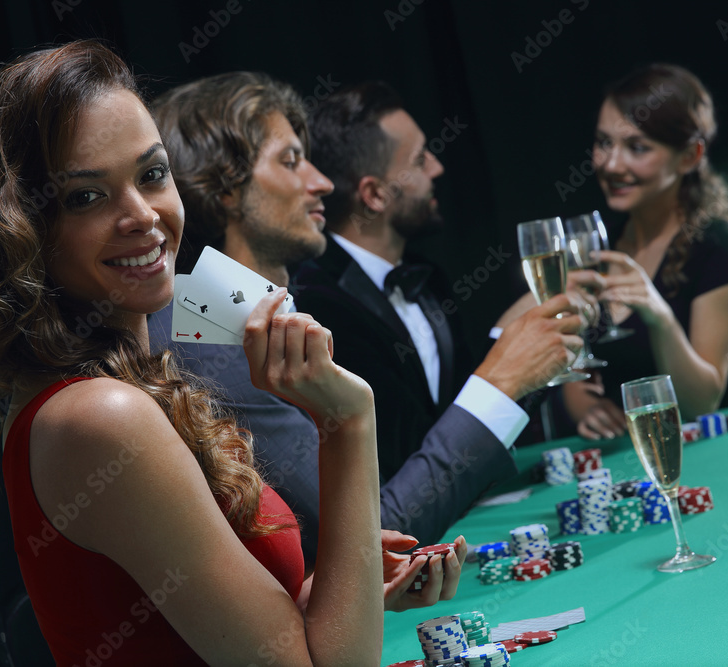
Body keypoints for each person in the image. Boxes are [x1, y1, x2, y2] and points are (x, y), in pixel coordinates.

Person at [0, 41, 450, 666]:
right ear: (21, 229)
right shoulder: (101, 418)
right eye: (85, 196)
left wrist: (339, 586)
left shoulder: (114, 391)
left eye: (151, 174)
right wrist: (348, 422)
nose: (142, 215)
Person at [148, 74, 577, 568]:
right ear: (225, 187)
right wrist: (500, 383)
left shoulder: (250, 312)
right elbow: (372, 538)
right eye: (290, 161)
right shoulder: (201, 337)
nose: (323, 182)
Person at [292, 81, 583, 483]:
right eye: (420, 158)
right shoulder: (319, 303)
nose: (437, 169)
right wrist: (510, 345)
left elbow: (459, 415)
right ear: (375, 194)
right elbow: (405, 451)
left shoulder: (427, 279)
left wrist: (510, 332)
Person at [561, 63, 728, 440]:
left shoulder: (718, 246)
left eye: (637, 147)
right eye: (604, 142)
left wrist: (660, 317)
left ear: (689, 156)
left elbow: (700, 403)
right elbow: (576, 359)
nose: (611, 163)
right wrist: (586, 407)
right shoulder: (602, 243)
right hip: (627, 459)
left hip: (711, 456)